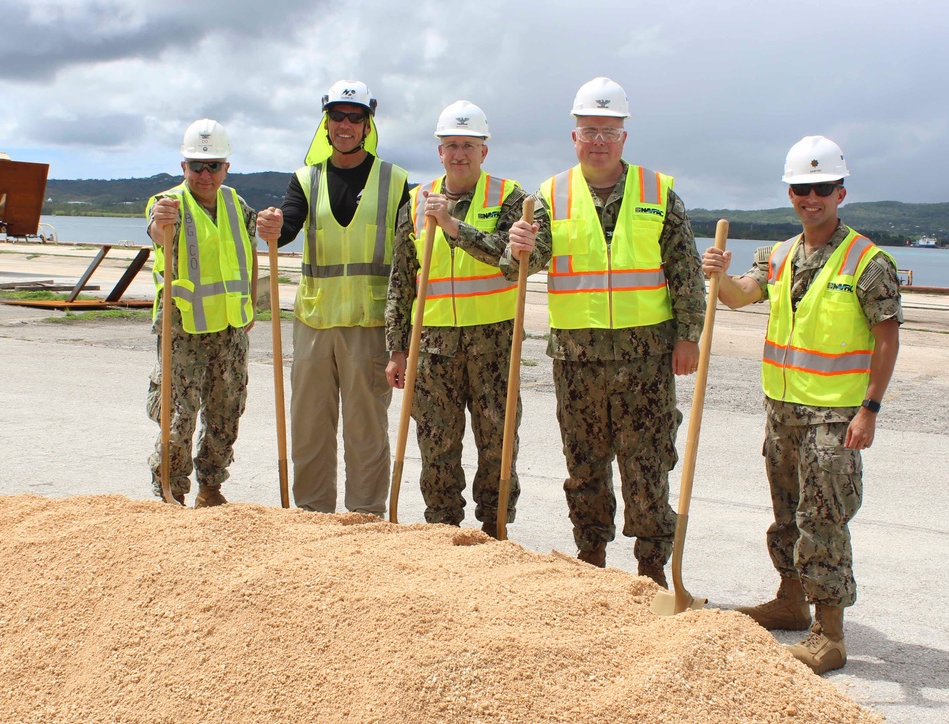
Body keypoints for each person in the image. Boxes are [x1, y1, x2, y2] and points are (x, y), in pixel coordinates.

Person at [700, 135, 901, 675]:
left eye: (821, 188)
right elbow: (743, 294)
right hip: (783, 411)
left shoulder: (868, 261)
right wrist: (718, 276)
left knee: (824, 518)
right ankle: (791, 601)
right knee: (786, 513)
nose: (810, 197)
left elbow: (886, 338)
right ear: (789, 193)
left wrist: (870, 410)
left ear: (840, 192)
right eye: (800, 189)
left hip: (835, 417)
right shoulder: (781, 255)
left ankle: (829, 634)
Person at [508, 78, 706, 585]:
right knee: (584, 463)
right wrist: (517, 246)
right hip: (577, 359)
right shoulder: (549, 196)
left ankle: (650, 571)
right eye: (589, 130)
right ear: (575, 137)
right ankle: (591, 558)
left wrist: (689, 337)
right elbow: (523, 266)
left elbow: (683, 270)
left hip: (646, 357)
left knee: (648, 463)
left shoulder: (657, 192)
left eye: (608, 131)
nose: (598, 140)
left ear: (624, 136)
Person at [385, 101, 551, 536]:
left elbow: (517, 261)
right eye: (451, 145)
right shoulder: (416, 201)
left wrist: (455, 229)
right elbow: (402, 280)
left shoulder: (516, 199)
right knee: (436, 445)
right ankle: (443, 532)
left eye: (469, 146)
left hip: (494, 344)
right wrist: (397, 349)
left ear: (484, 152)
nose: (460, 154)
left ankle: (494, 531)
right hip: (433, 345)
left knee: (497, 445)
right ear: (439, 151)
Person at [257, 80, 409, 516]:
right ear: (325, 123)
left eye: (354, 117)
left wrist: (400, 341)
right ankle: (311, 514)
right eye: (337, 116)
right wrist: (271, 226)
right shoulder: (306, 179)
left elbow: (410, 258)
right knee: (308, 428)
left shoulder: (395, 181)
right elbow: (287, 225)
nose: (345, 125)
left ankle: (365, 517)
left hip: (370, 326)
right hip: (314, 324)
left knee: (366, 431)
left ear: (367, 124)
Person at [145, 118, 258, 508]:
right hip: (183, 330)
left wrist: (250, 306)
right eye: (197, 166)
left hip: (229, 329)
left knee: (227, 413)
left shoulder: (237, 205)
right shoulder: (167, 204)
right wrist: (161, 224)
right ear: (184, 168)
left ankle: (212, 487)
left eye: (213, 166)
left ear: (226, 167)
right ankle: (170, 489)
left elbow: (250, 255)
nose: (205, 174)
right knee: (178, 415)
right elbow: (158, 234)